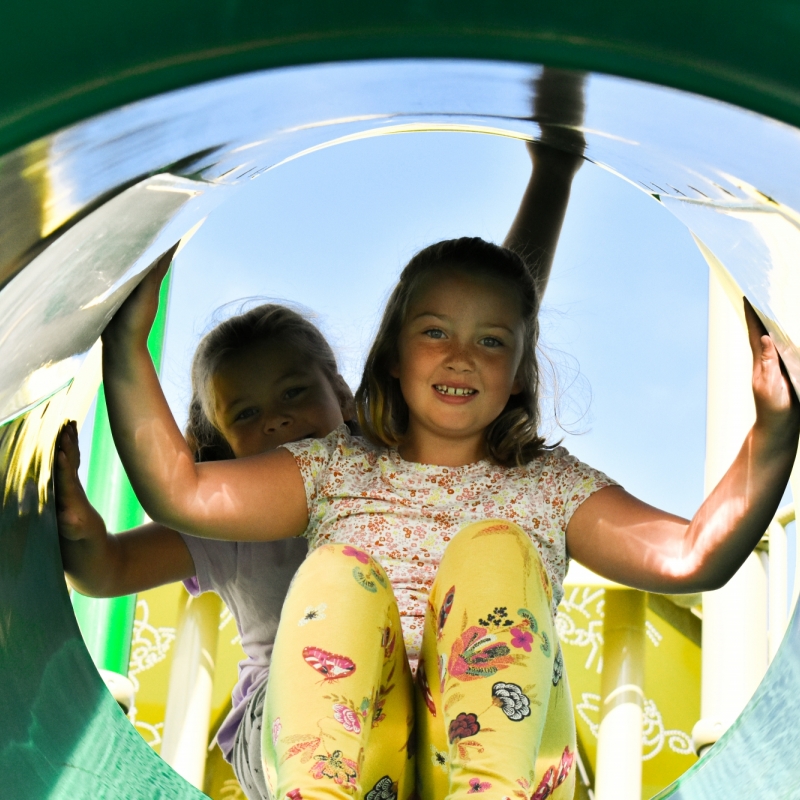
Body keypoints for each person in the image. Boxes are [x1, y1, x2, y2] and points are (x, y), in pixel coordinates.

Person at [97, 224, 799, 799]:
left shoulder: (549, 487)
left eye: (491, 341)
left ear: (519, 372)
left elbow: (692, 555)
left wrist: (773, 426)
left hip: (505, 759)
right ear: (393, 357)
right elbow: (180, 490)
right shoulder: (334, 468)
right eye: (436, 333)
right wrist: (125, 342)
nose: (461, 356)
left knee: (495, 551)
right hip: (357, 750)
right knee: (338, 575)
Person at [56, 303, 355, 800]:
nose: (277, 419)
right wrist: (80, 524)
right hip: (282, 718)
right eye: (246, 413)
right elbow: (109, 570)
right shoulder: (232, 522)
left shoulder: (392, 477)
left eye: (294, 392)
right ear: (225, 442)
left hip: (394, 706)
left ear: (342, 395)